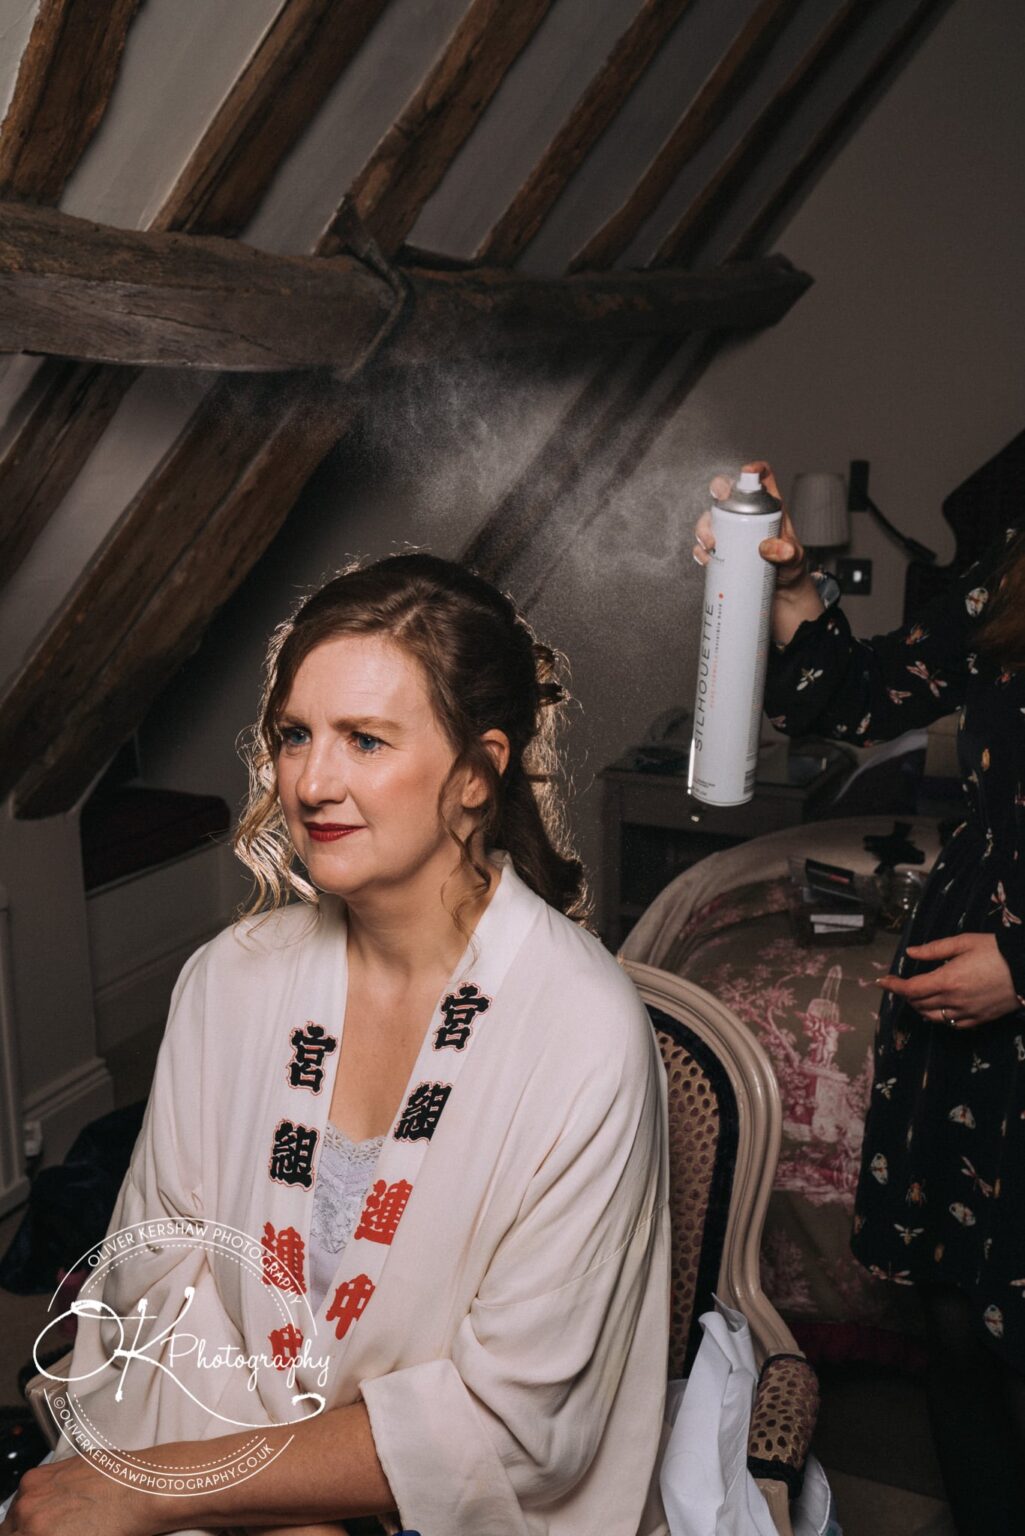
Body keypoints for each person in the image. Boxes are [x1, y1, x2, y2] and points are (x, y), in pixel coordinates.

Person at [2, 553, 671, 1536]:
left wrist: (157, 1487)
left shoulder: (581, 1035)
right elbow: (162, 1295)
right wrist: (278, 1507)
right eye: (295, 736)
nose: (311, 781)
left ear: (477, 774)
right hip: (216, 1459)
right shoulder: (229, 982)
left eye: (364, 740)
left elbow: (519, 1427)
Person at [694, 463, 1025, 1536]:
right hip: (959, 1050)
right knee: (956, 1329)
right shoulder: (1015, 564)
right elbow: (864, 693)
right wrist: (788, 591)